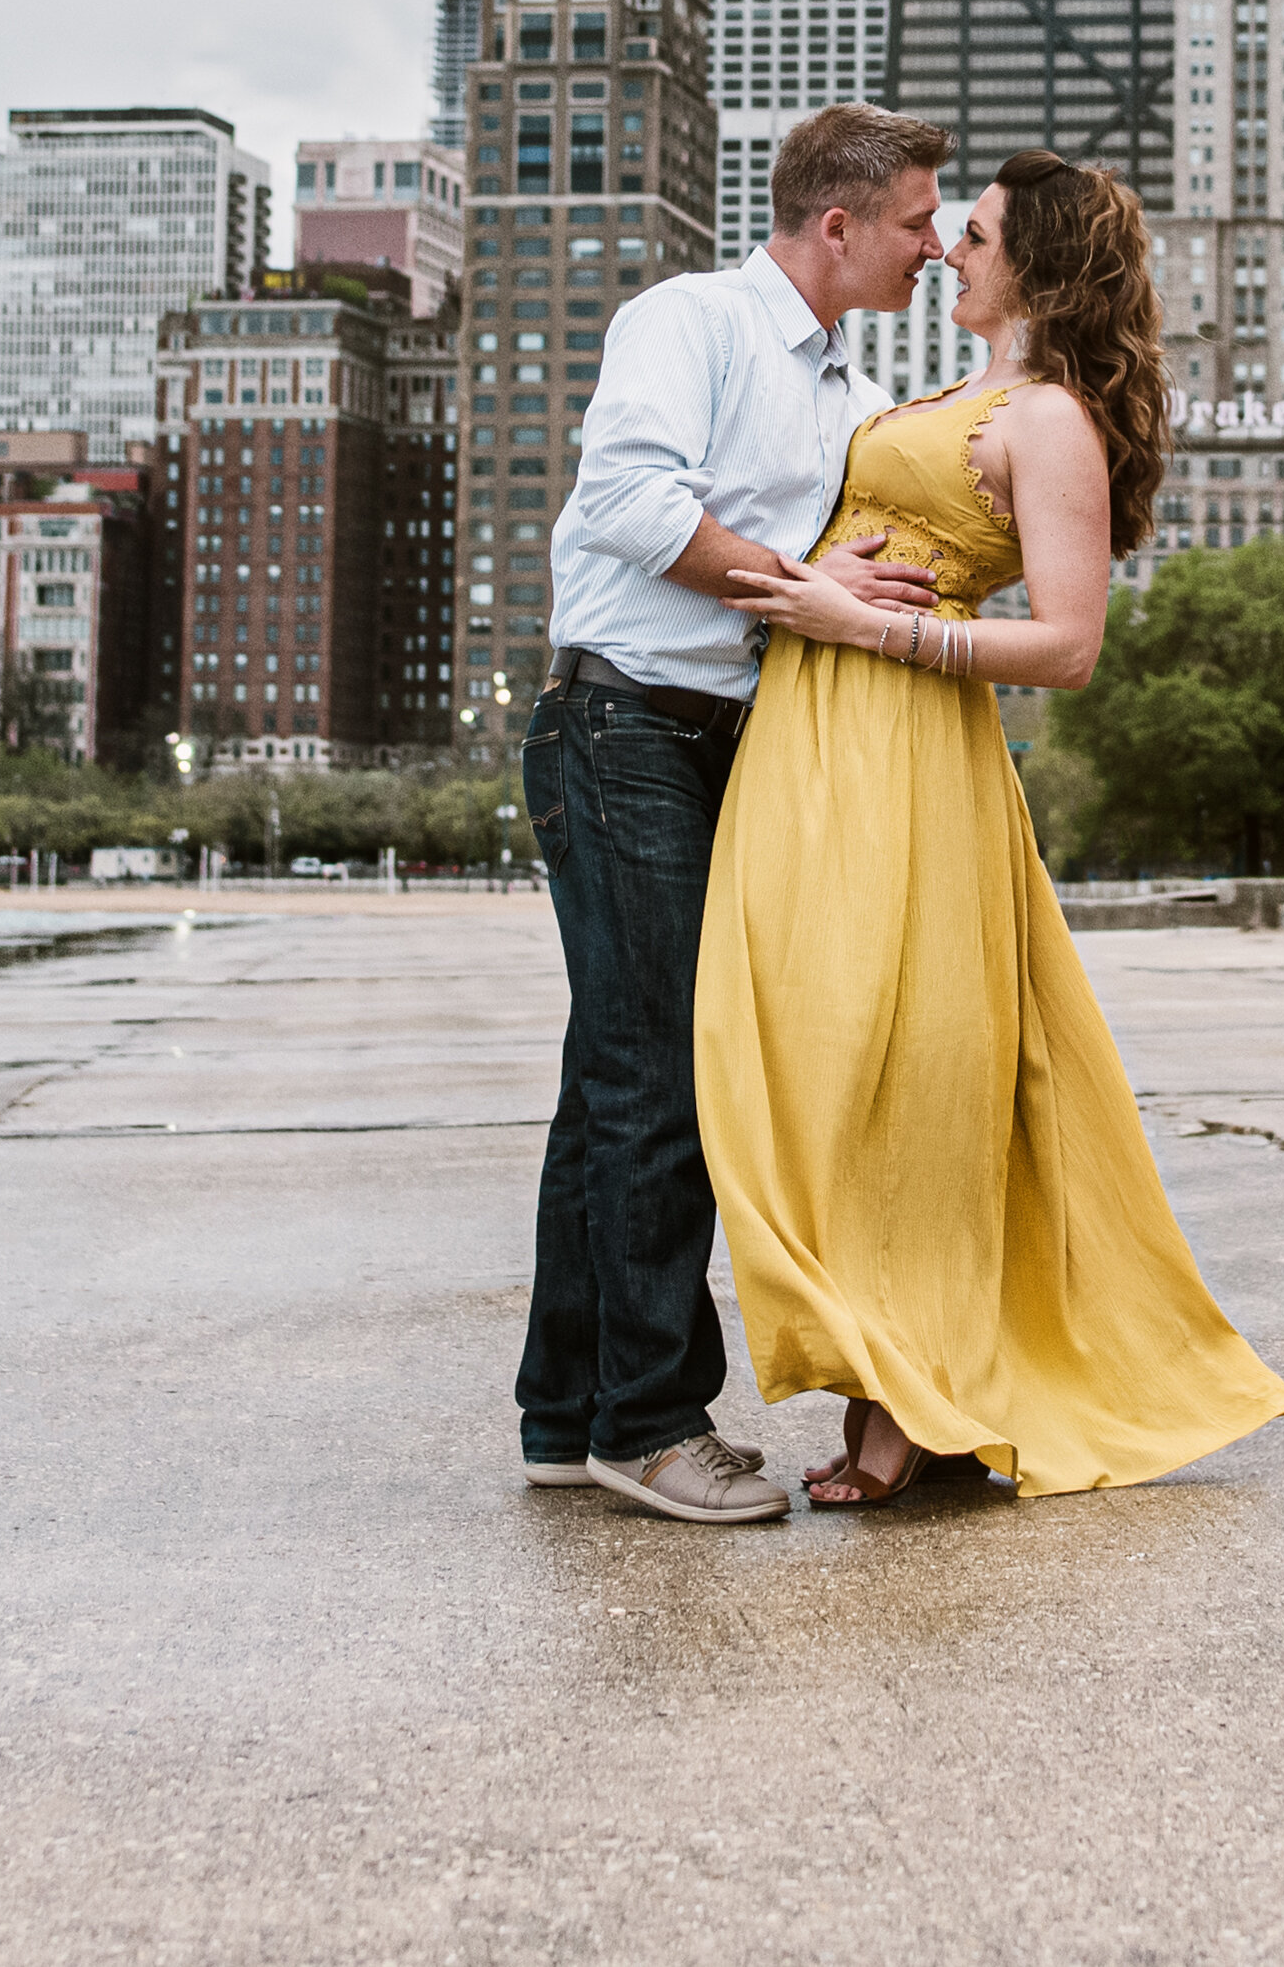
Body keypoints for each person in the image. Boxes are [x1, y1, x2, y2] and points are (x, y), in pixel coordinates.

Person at [700, 148, 1284, 1504]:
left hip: (907, 751)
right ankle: (880, 1370)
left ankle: (917, 1397)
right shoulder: (941, 394)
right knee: (802, 1057)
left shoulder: (1049, 420)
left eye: (971, 235)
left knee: (905, 1072)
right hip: (806, 742)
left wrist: (874, 625)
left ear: (1037, 263)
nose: (946, 253)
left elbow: (1071, 646)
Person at [515, 104, 958, 1523]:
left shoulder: (852, 392)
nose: (933, 246)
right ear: (839, 225)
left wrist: (851, 594)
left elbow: (824, 576)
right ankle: (649, 1422)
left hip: (731, 738)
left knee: (615, 1079)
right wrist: (804, 584)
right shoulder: (689, 321)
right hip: (626, 720)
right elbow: (632, 504)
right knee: (661, 1079)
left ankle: (566, 1412)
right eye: (914, 223)